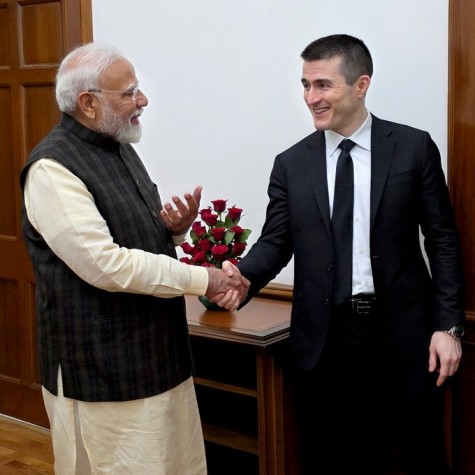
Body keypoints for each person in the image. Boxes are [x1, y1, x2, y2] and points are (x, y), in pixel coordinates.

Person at [227, 34, 465, 474]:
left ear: (361, 85)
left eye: (322, 85)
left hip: (406, 338)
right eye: (305, 85)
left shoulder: (413, 148)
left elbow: (443, 242)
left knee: (421, 457)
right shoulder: (291, 163)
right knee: (336, 458)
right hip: (326, 342)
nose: (310, 98)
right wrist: (242, 277)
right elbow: (276, 242)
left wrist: (448, 327)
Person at [19, 42, 249, 475]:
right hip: (103, 373)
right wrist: (206, 279)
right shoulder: (52, 169)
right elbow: (107, 265)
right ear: (88, 103)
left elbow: (128, 239)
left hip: (158, 355)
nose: (142, 100)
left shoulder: (118, 145)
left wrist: (172, 230)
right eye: (128, 92)